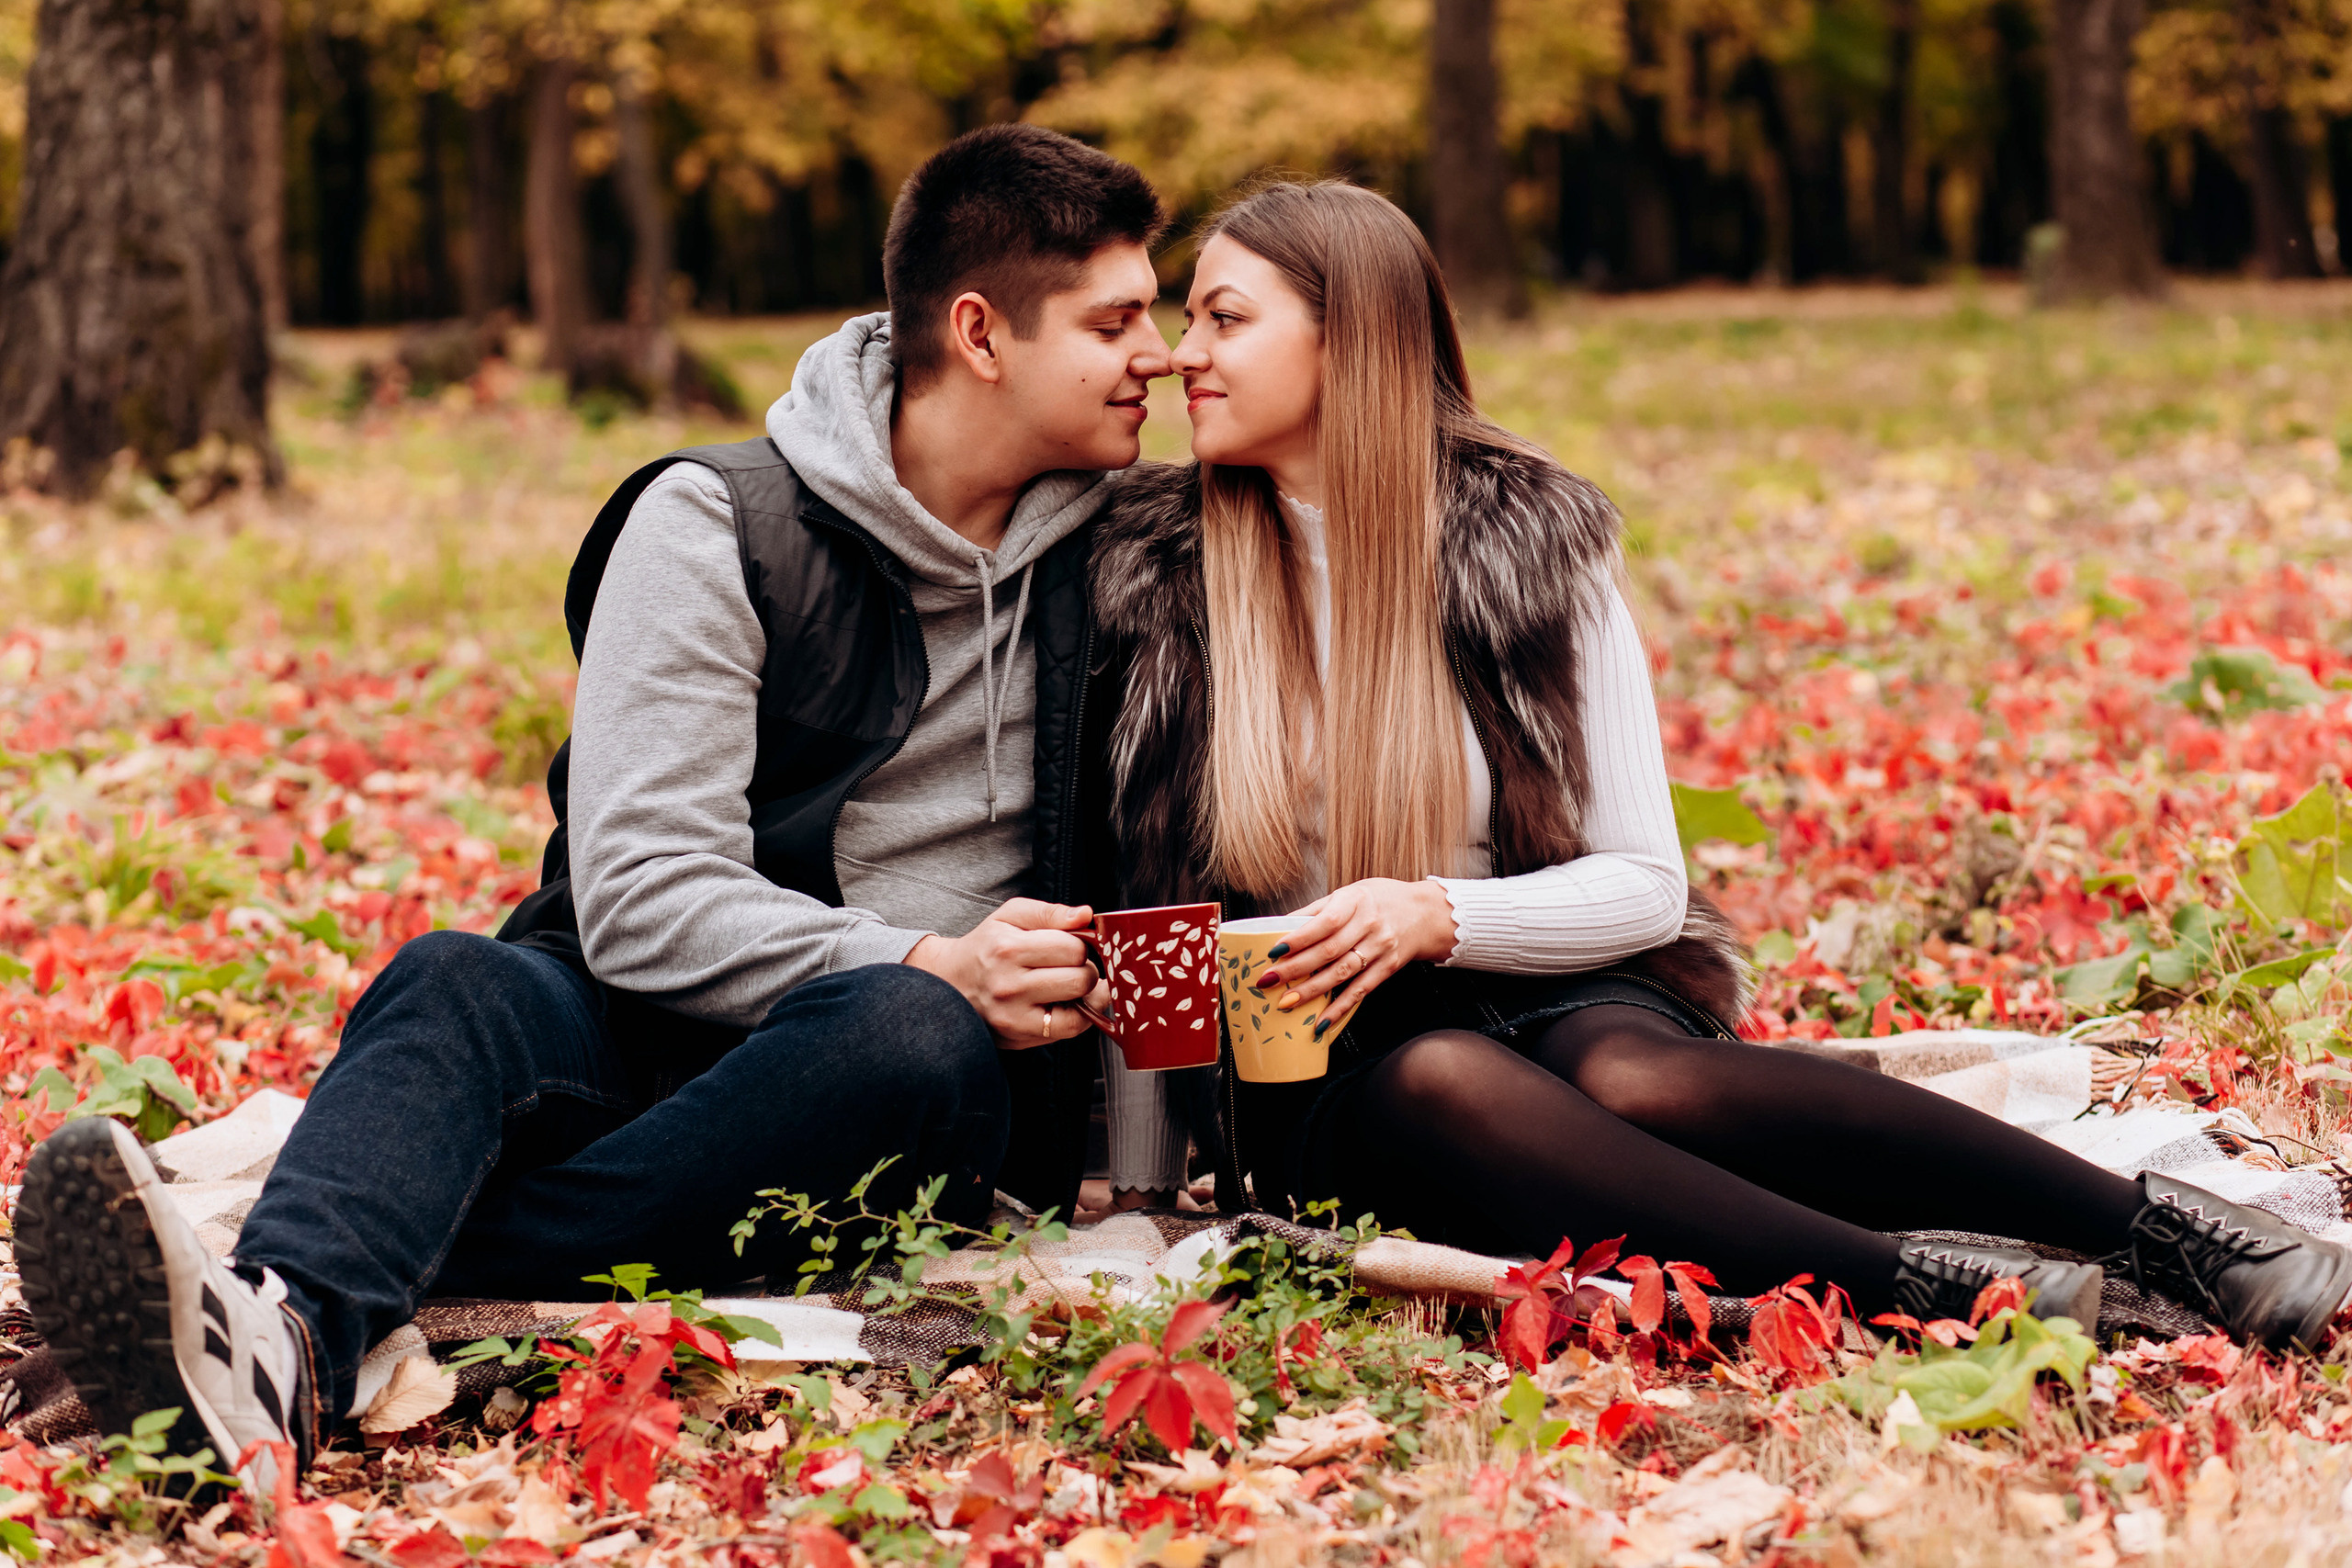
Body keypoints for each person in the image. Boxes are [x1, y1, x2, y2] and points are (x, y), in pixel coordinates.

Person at [15, 124, 1165, 1484]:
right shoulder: (718, 523)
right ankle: (279, 1353)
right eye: (1117, 321)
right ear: (981, 334)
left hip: (882, 1085)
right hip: (642, 1024)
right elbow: (639, 898)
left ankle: (352, 1234)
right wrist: (923, 950)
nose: (1159, 354)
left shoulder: (1138, 553)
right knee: (455, 979)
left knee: (911, 1033)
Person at [1085, 177, 2352, 1350]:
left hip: (1548, 980)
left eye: (1224, 318)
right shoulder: (1157, 576)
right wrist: (1145, 1187)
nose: (1183, 352)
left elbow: (1644, 881)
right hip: (1331, 1066)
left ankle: (2164, 1232)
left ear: (1349, 339)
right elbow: (1146, 905)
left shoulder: (1530, 545)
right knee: (1443, 1076)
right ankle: (1925, 1283)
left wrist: (1437, 915)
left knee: (1637, 1076)